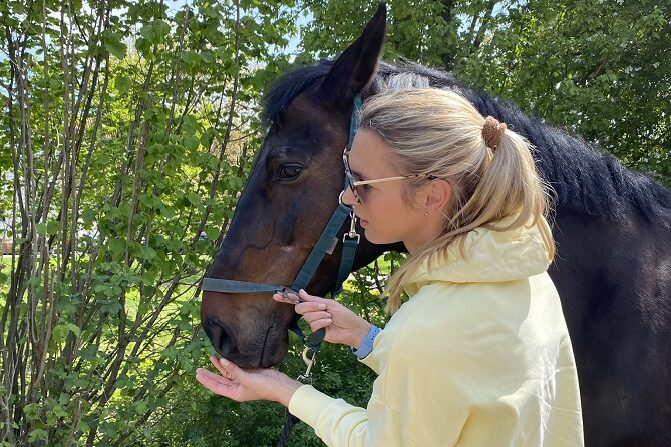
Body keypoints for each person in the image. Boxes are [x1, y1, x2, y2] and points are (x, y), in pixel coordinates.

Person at [196, 88, 584, 446]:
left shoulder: (430, 331)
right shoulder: (527, 279)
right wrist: (368, 339)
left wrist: (286, 390)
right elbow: (462, 374)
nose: (347, 198)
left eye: (363, 184)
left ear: (432, 195)